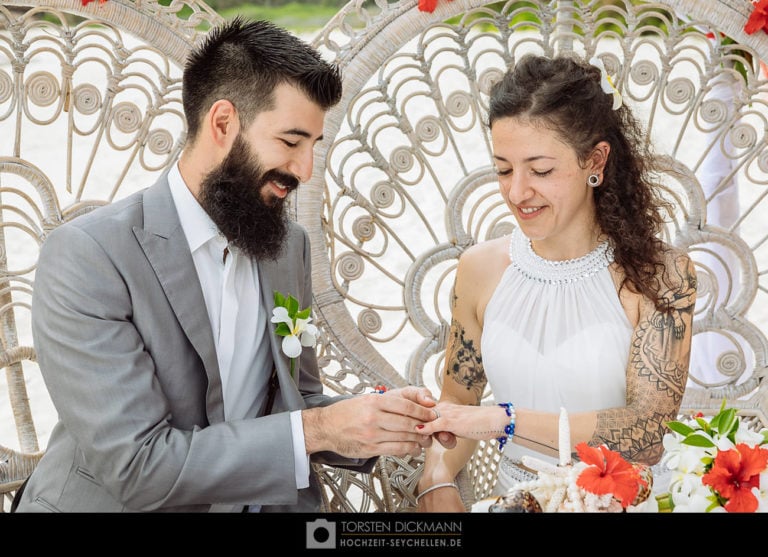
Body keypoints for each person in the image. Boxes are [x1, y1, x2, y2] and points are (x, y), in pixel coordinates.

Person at [13, 17, 440, 513]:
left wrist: (377, 420)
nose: (304, 170)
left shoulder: (287, 247)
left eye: (313, 147)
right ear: (222, 123)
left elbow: (296, 404)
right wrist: (318, 429)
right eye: (290, 141)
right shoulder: (88, 258)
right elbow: (138, 467)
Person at [415, 53, 698, 512]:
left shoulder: (659, 275)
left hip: (625, 502)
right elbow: (458, 401)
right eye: (504, 169)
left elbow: (647, 431)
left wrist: (504, 421)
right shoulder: (480, 269)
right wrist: (437, 476)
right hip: (512, 503)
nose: (517, 192)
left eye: (540, 170)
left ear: (596, 160)